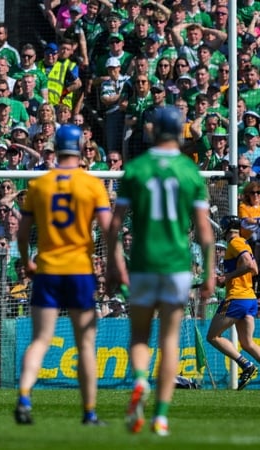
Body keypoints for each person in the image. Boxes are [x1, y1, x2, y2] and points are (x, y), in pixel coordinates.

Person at [106, 106, 215, 437]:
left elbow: (114, 225)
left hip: (142, 262)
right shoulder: (189, 171)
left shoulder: (137, 169)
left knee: (140, 335)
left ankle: (140, 380)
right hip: (177, 265)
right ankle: (162, 417)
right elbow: (205, 232)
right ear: (180, 131)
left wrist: (115, 264)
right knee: (169, 340)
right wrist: (209, 273)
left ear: (153, 131)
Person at [14, 124, 112, 426]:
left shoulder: (40, 185)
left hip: (47, 271)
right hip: (80, 271)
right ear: (81, 149)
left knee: (41, 339)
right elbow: (108, 231)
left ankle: (25, 397)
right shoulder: (91, 184)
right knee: (85, 344)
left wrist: (25, 260)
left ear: (55, 148)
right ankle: (89, 412)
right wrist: (111, 266)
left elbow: (22, 230)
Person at [206, 216, 260, 391]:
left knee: (213, 336)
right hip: (249, 298)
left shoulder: (235, 243)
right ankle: (248, 366)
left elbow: (251, 267)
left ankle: (246, 366)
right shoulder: (244, 243)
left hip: (237, 299)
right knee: (247, 343)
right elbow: (253, 269)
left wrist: (226, 277)